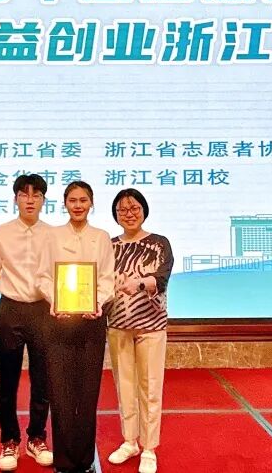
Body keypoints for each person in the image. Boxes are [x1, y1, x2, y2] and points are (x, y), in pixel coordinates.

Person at [37, 181, 115, 473]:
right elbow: (43, 277)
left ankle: (84, 460)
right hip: (58, 323)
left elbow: (107, 278)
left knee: (87, 393)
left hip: (92, 322)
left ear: (91, 203)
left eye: (83, 200)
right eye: (72, 200)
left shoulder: (102, 237)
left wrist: (98, 302)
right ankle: (64, 461)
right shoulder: (52, 236)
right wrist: (55, 300)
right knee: (61, 394)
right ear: (65, 203)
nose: (78, 205)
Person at [0, 174, 54, 471]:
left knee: (43, 378)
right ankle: (9, 439)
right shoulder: (0, 233)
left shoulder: (54, 234)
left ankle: (36, 437)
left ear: (43, 200)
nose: (30, 200)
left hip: (43, 309)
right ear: (15, 199)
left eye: (36, 195)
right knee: (8, 379)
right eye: (24, 194)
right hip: (11, 309)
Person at [104, 189, 174, 473]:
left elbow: (162, 277)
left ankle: (149, 447)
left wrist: (141, 283)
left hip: (151, 326)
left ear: (144, 210)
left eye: (134, 208)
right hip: (118, 325)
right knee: (125, 386)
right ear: (115, 215)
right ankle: (130, 440)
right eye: (122, 210)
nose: (129, 214)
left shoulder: (158, 243)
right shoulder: (109, 246)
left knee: (150, 387)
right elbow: (100, 282)